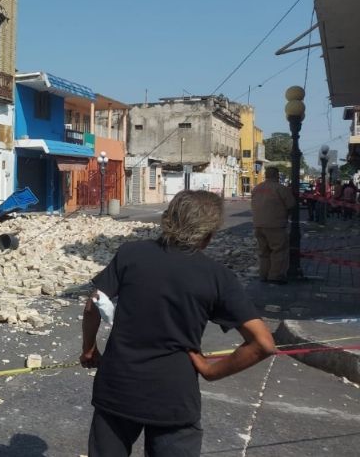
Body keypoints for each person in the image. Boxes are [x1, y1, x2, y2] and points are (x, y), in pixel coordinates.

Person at [81, 190, 275, 457]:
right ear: (208, 235)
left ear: (167, 219)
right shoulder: (218, 277)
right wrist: (210, 370)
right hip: (174, 397)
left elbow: (93, 304)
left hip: (118, 387)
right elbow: (263, 343)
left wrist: (89, 348)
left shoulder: (130, 254)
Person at [251, 167, 296, 283]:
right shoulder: (280, 188)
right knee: (278, 251)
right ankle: (275, 276)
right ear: (277, 175)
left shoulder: (257, 188)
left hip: (258, 225)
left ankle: (263, 275)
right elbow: (291, 205)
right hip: (275, 225)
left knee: (264, 252)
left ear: (266, 175)